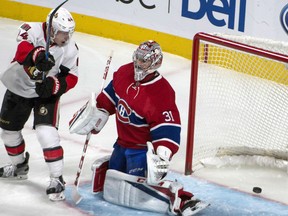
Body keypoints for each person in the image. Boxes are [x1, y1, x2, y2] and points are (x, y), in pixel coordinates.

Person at [69, 40, 208, 215]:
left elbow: (167, 125)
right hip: (122, 143)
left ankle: (182, 199)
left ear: (155, 63)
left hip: (140, 150)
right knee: (113, 180)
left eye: (144, 61)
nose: (139, 64)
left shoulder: (161, 92)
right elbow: (112, 94)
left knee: (138, 187)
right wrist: (100, 110)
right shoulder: (125, 72)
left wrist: (163, 151)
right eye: (138, 59)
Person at [0, 7, 79, 201]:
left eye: (69, 33)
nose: (66, 37)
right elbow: (21, 53)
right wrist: (37, 56)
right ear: (51, 29)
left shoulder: (70, 48)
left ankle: (57, 179)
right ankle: (19, 166)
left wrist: (54, 85)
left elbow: (73, 77)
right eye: (62, 32)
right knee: (8, 132)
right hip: (19, 85)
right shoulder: (31, 30)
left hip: (45, 93)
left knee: (46, 133)